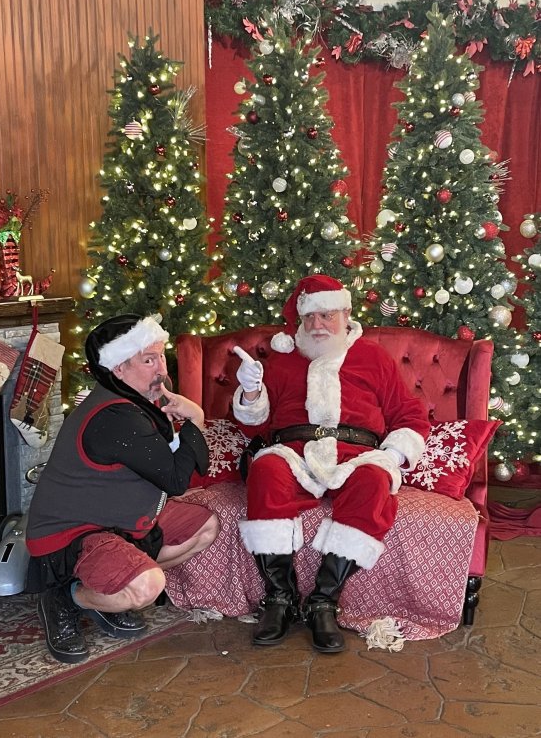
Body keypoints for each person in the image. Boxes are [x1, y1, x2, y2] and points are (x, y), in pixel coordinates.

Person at [232, 275, 430, 653]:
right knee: (266, 471)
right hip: (293, 450)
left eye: (327, 315)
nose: (318, 324)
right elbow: (254, 425)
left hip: (357, 453)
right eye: (310, 317)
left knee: (374, 482)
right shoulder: (283, 358)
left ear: (346, 314)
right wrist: (252, 391)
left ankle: (323, 601)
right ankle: (280, 598)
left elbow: (408, 415)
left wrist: (392, 456)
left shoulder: (373, 357)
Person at [26, 314, 219, 664]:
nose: (161, 369)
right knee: (147, 586)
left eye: (161, 357)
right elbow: (176, 480)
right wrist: (196, 419)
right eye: (149, 360)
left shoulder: (133, 401)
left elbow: (179, 469)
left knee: (206, 527)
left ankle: (108, 588)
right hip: (71, 534)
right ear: (118, 368)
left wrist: (189, 423)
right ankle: (65, 598)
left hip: (120, 520)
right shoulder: (116, 417)